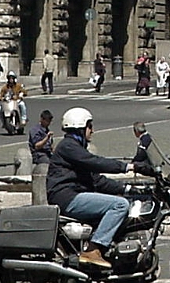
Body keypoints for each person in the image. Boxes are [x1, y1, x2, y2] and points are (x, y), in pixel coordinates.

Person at [47, 107, 134, 268]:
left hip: (72, 195)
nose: (92, 131)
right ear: (80, 127)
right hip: (67, 197)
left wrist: (127, 188)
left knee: (121, 200)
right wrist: (128, 167)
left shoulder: (76, 148)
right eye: (90, 126)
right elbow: (95, 162)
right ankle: (94, 250)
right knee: (120, 205)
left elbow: (97, 180)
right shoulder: (69, 146)